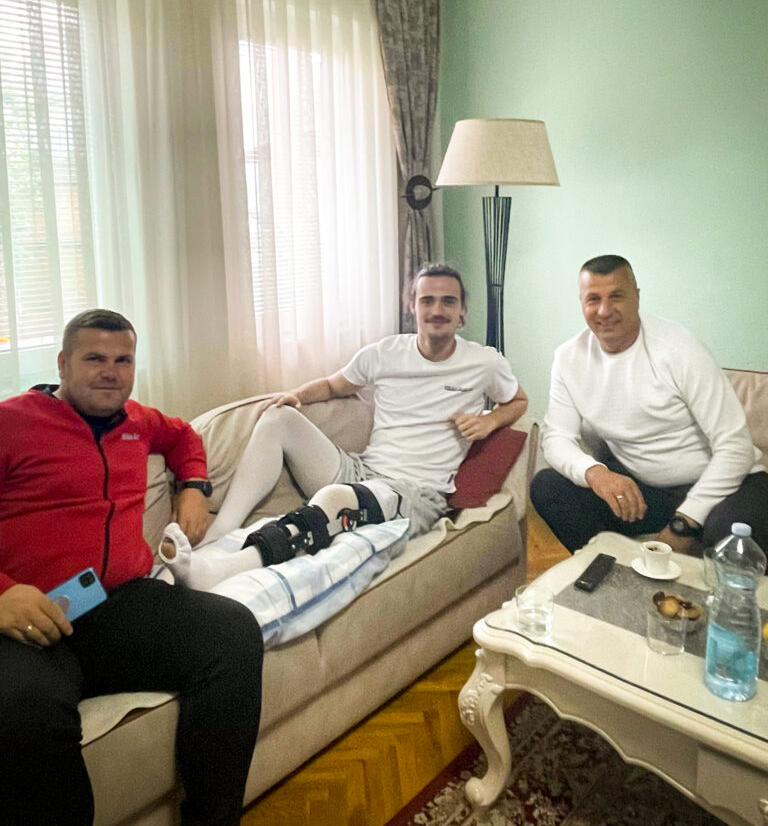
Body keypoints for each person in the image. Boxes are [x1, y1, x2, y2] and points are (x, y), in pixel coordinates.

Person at [0, 310, 264, 826]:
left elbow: (183, 437)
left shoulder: (137, 422)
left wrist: (195, 488)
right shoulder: (12, 422)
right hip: (30, 621)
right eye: (94, 358)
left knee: (232, 633)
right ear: (62, 363)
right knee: (24, 714)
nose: (111, 372)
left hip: (118, 604)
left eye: (123, 360)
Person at [159, 264, 528, 590]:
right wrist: (295, 395)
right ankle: (222, 531)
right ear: (412, 306)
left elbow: (518, 401)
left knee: (336, 499)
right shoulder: (384, 353)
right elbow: (333, 385)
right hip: (362, 472)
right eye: (427, 300)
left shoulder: (484, 363)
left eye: (448, 301)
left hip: (418, 494)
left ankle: (223, 570)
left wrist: (489, 420)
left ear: (462, 312)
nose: (436, 310)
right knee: (278, 418)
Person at [531, 255, 768, 558]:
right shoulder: (568, 358)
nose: (604, 310)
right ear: (581, 302)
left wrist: (684, 523)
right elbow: (556, 438)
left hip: (729, 484)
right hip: (649, 491)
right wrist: (595, 472)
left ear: (637, 297)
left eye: (616, 296)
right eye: (594, 299)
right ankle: (614, 571)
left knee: (733, 535)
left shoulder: (677, 347)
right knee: (548, 487)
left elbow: (736, 446)